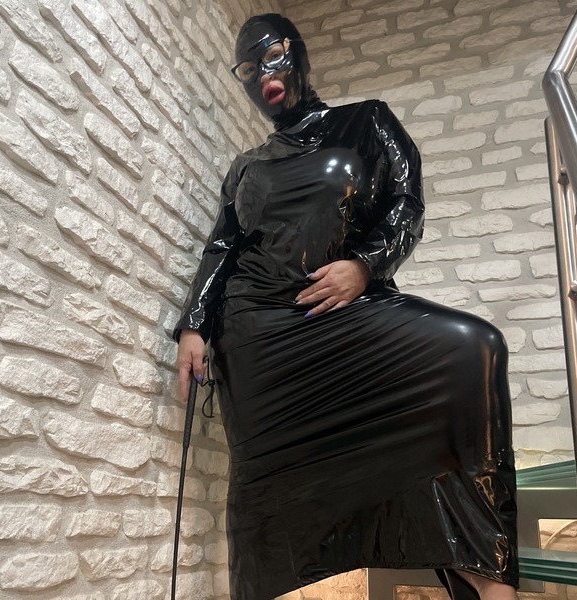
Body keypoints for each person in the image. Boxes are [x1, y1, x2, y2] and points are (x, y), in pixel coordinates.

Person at [174, 13, 519, 600]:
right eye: (249, 69)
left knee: (474, 348)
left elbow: (406, 204)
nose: (264, 75)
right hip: (256, 332)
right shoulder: (247, 166)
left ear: (300, 55)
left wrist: (364, 266)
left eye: (274, 56)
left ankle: (488, 579)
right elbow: (223, 246)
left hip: (342, 314)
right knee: (268, 487)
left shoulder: (366, 122)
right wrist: (194, 326)